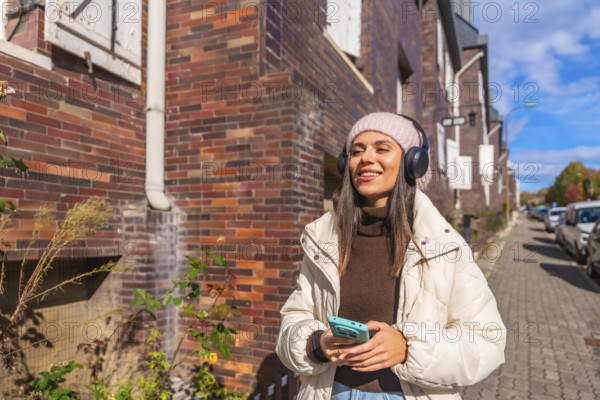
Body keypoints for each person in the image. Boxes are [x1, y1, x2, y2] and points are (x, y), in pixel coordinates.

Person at [275, 112, 506, 400]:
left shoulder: (444, 246)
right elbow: (294, 319)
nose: (366, 158)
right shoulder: (323, 240)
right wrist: (317, 343)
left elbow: (487, 342)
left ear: (414, 164)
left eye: (381, 148)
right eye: (357, 151)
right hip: (328, 392)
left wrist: (408, 349)